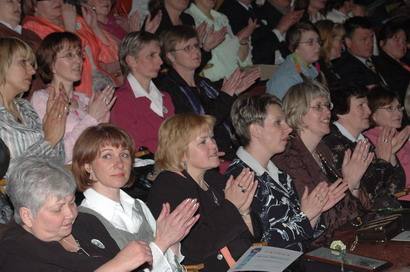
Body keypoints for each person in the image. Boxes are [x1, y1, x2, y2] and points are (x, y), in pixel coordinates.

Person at [226, 93, 349, 251]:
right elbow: (258, 247)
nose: (289, 128)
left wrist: (316, 211)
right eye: (278, 122)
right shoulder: (238, 180)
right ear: (256, 130)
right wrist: (305, 215)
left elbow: (303, 236)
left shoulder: (279, 173)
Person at [72, 123, 198, 271]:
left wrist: (173, 242)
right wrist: (163, 242)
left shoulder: (139, 206)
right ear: (88, 166)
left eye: (124, 155)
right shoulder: (82, 222)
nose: (119, 163)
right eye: (107, 156)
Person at [147, 113, 258, 271]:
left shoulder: (215, 180)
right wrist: (232, 206)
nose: (213, 145)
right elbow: (194, 246)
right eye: (203, 142)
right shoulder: (169, 185)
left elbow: (252, 236)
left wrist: (245, 211)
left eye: (212, 138)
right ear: (180, 151)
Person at [0, 156, 153, 271]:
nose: (71, 214)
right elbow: (120, 264)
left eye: (72, 202)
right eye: (57, 208)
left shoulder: (86, 221)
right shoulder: (14, 253)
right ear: (27, 215)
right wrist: (118, 265)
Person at [272, 81, 372, 245]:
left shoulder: (324, 149)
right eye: (318, 107)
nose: (327, 112)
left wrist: (353, 186)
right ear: (298, 113)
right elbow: (322, 223)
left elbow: (364, 207)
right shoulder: (288, 159)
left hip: (343, 239)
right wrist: (349, 183)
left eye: (327, 105)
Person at [158, 25, 260, 160]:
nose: (196, 51)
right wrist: (226, 96)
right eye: (187, 48)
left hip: (229, 150)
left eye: (196, 45)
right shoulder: (168, 89)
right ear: (170, 56)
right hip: (204, 157)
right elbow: (197, 128)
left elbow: (223, 113)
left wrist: (234, 94)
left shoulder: (204, 83)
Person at [31, 32, 115, 164]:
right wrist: (92, 118)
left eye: (79, 54)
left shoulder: (84, 100)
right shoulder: (42, 99)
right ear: (51, 64)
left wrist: (104, 124)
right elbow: (58, 154)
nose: (78, 61)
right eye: (69, 55)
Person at [323, 85, 405, 208]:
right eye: (361, 105)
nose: (369, 111)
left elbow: (397, 188)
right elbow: (367, 196)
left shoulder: (363, 140)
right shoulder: (332, 143)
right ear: (341, 111)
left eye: (367, 105)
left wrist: (391, 155)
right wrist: (383, 162)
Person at [23, 0, 119, 96]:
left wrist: (95, 27)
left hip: (105, 87)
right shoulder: (32, 27)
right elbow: (55, 63)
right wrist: (70, 28)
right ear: (33, 5)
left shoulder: (76, 18)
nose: (56, 1)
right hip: (76, 94)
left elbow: (114, 56)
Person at [0, 37, 65, 174]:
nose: (33, 71)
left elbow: (58, 160)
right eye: (23, 62)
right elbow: (7, 172)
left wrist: (54, 121)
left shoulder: (25, 107)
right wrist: (48, 141)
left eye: (32, 64)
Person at [111, 31, 174, 153]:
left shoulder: (165, 97)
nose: (160, 61)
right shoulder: (121, 99)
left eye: (159, 55)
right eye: (151, 55)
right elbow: (130, 145)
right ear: (131, 61)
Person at [185, 0, 255, 82]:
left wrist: (242, 41)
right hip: (213, 79)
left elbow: (240, 56)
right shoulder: (189, 18)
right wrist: (238, 38)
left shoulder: (221, 17)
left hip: (234, 76)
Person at [365, 89, 410, 201]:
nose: (398, 113)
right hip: (398, 203)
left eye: (399, 108)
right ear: (373, 114)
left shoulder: (402, 135)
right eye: (390, 108)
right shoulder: (368, 140)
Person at [266, 22, 323, 100]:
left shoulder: (310, 67)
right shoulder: (287, 77)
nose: (318, 46)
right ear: (294, 47)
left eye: (318, 41)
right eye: (310, 42)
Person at [334, 16, 388, 90]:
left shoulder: (381, 60)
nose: (371, 43)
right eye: (364, 39)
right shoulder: (346, 69)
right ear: (348, 42)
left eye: (372, 37)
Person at [375, 21, 410, 105]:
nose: (402, 45)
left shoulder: (405, 61)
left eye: (404, 41)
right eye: (396, 40)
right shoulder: (383, 66)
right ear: (382, 43)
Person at [315, 20, 345, 89]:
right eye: (340, 41)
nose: (343, 46)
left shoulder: (328, 65)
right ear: (328, 42)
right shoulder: (318, 68)